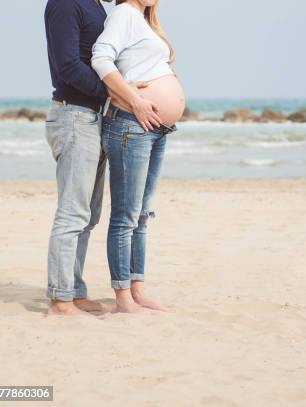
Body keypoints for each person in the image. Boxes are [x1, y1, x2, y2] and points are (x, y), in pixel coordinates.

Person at [44, 0, 161, 316]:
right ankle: (61, 299)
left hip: (94, 117)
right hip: (73, 116)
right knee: (72, 213)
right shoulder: (65, 3)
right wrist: (116, 93)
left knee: (88, 215)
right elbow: (68, 65)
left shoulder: (96, 7)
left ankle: (74, 291)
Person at [92, 0, 186, 313]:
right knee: (126, 215)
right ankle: (122, 298)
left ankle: (137, 288)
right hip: (131, 124)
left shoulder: (145, 20)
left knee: (142, 214)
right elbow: (101, 58)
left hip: (156, 129)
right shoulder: (124, 14)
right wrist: (136, 100)